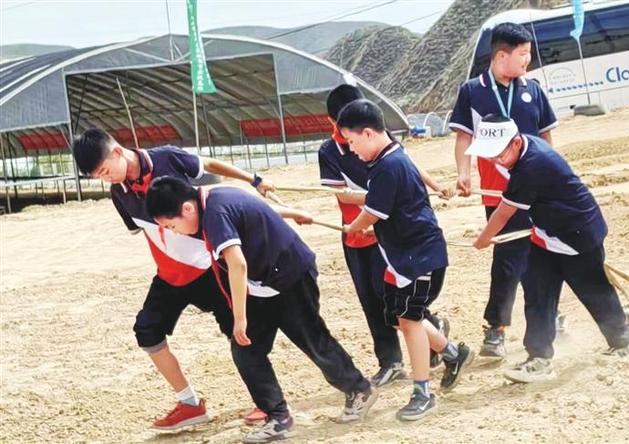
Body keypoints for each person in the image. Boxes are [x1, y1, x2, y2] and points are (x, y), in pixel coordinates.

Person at [145, 176, 378, 443]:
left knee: (312, 339)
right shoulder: (210, 197)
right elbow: (255, 209)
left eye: (172, 226)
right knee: (246, 350)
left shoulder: (214, 213)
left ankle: (360, 389)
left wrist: (240, 318)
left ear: (187, 209)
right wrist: (293, 213)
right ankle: (277, 416)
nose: (175, 232)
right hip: (263, 284)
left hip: (290, 276)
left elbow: (237, 264)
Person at [71, 129, 272, 430]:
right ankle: (190, 403)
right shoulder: (119, 194)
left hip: (208, 267)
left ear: (116, 152)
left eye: (104, 170)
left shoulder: (167, 158)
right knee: (147, 330)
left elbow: (211, 166)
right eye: (97, 176)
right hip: (170, 276)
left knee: (238, 330)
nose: (105, 178)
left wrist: (252, 180)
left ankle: (268, 402)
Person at [469, 115, 629, 383]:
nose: (493, 161)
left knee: (594, 291)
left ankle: (623, 345)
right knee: (536, 291)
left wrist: (484, 238)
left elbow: (503, 214)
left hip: (577, 234)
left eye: (497, 154)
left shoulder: (531, 166)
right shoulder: (523, 150)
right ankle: (539, 358)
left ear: (514, 143)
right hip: (546, 234)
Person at [338, 99, 475, 421]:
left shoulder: (388, 166)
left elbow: (372, 211)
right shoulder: (390, 156)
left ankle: (422, 392)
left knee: (410, 319)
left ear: (369, 133)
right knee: (402, 317)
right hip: (403, 256)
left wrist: (352, 228)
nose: (352, 150)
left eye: (352, 142)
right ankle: (454, 355)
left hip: (420, 257)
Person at [319, 84, 450, 386]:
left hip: (386, 233)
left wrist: (433, 186)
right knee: (374, 301)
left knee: (400, 303)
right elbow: (343, 195)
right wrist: (379, 199)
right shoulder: (330, 151)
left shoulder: (380, 143)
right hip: (358, 233)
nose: (351, 142)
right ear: (333, 123)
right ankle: (391, 361)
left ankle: (435, 351)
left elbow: (409, 168)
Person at [449, 22, 562, 360]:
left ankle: (549, 316)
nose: (528, 61)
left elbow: (546, 137)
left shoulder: (534, 89)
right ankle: (496, 328)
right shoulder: (472, 90)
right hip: (498, 190)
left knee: (543, 253)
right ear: (502, 55)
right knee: (508, 258)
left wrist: (556, 174)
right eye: (523, 55)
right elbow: (463, 137)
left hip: (538, 188)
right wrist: (464, 173)